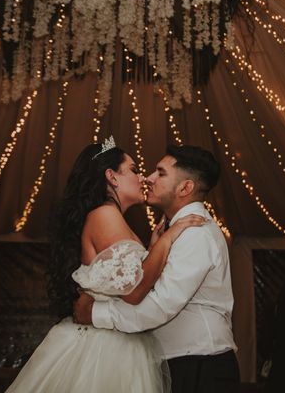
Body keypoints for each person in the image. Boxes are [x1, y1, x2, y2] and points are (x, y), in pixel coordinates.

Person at [5, 138, 206, 392]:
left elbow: (127, 282)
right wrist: (167, 239)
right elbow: (134, 292)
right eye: (133, 169)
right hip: (103, 351)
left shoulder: (113, 218)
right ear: (112, 177)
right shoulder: (105, 215)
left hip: (115, 341)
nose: (143, 177)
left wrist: (152, 249)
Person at [74, 144, 239, 393]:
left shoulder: (195, 232)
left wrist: (93, 313)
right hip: (184, 363)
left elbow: (158, 306)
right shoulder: (172, 230)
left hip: (200, 364)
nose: (148, 178)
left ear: (185, 187)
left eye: (160, 173)